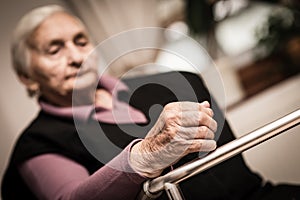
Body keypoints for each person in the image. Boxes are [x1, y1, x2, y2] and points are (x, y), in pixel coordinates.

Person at [1, 4, 299, 200]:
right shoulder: (38, 145)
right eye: (54, 50)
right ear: (27, 76)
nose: (77, 57)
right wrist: (146, 154)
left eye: (81, 42)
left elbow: (238, 180)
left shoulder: (179, 81)